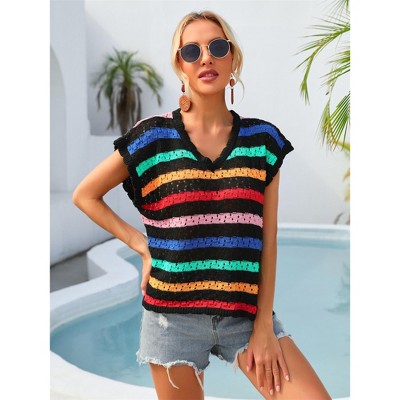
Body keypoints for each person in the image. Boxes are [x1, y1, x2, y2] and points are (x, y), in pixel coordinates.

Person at [73, 10, 331, 400]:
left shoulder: (263, 142)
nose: (206, 57)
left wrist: (264, 325)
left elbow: (268, 240)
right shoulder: (152, 138)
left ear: (233, 59)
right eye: (191, 51)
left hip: (246, 316)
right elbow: (85, 195)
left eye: (217, 47)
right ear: (181, 66)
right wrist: (141, 246)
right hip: (171, 320)